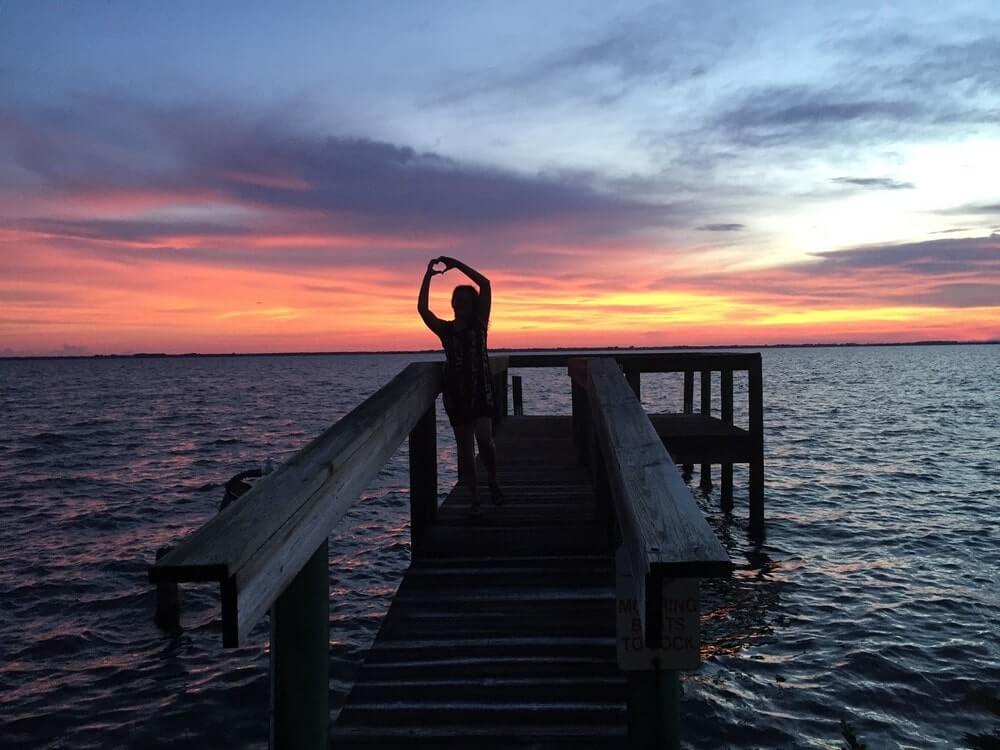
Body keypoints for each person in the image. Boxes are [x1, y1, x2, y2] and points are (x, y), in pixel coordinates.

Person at [418, 256, 503, 516]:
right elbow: (423, 309)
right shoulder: (446, 330)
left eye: (467, 302)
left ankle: (492, 480)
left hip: (481, 390)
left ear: (473, 305)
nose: (462, 306)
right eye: (459, 302)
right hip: (456, 395)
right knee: (465, 448)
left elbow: (486, 284)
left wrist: (457, 264)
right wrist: (427, 276)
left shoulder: (479, 326)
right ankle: (475, 496)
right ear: (453, 305)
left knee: (485, 440)